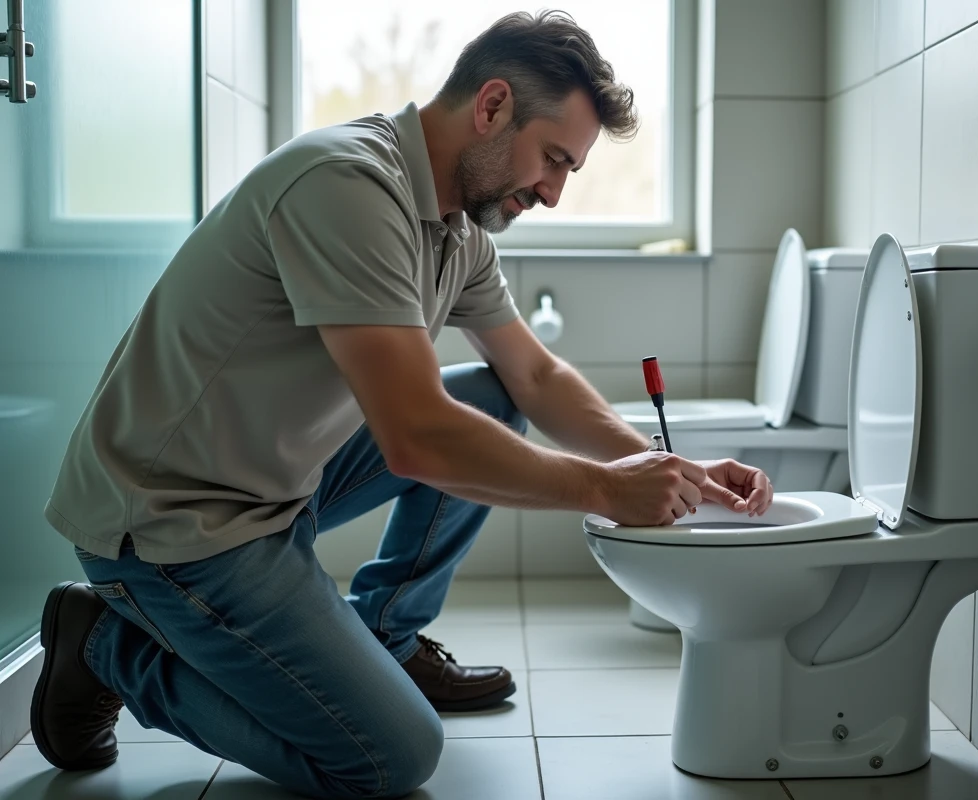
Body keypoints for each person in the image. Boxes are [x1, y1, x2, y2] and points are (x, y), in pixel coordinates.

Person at [30, 9, 774, 798]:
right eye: (553, 160)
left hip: (273, 488)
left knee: (491, 403)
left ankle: (386, 635)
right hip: (175, 522)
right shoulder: (347, 184)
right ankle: (107, 647)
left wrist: (652, 463)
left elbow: (535, 377)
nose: (553, 194)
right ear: (491, 107)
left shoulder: (459, 231)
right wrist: (603, 490)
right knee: (390, 757)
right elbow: (416, 437)